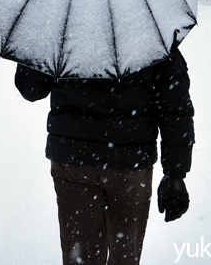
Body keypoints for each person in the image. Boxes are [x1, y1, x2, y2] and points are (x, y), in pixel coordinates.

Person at [15, 48, 195, 265]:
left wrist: (38, 41)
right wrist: (175, 173)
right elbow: (175, 104)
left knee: (80, 258)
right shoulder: (150, 29)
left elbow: (31, 88)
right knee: (125, 258)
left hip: (74, 161)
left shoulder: (60, 23)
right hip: (129, 165)